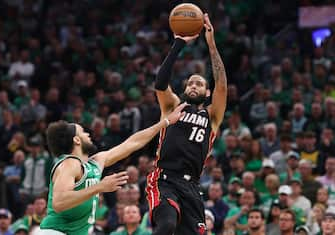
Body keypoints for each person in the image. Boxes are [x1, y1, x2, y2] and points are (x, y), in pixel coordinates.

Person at [39, 103, 186, 234]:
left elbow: (132, 143)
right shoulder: (69, 163)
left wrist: (165, 122)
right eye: (83, 132)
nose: (88, 133)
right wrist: (99, 187)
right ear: (76, 140)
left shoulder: (95, 162)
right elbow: (58, 203)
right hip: (56, 231)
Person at [147, 13, 227, 235]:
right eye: (190, 83)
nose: (193, 85)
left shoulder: (212, 116)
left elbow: (222, 86)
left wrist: (211, 44)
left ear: (206, 92)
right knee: (167, 225)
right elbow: (160, 83)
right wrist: (179, 43)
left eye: (199, 83)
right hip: (165, 179)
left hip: (191, 186)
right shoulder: (173, 106)